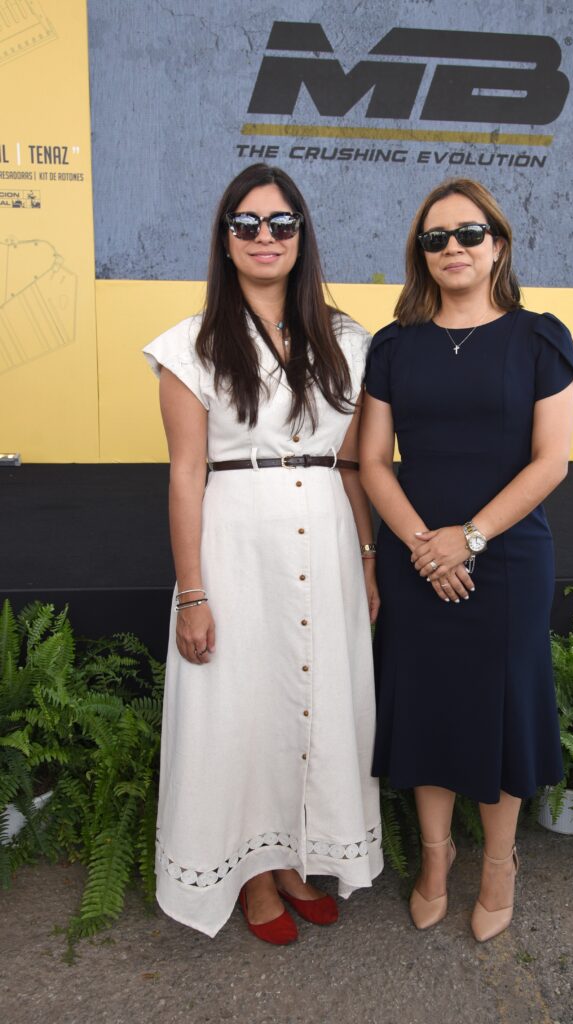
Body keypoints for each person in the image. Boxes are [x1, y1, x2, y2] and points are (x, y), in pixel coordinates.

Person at [143, 163, 382, 944]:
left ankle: (292, 858)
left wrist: (369, 561)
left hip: (329, 537)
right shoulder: (191, 346)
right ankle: (249, 875)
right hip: (235, 545)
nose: (264, 237)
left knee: (312, 702)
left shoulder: (347, 340)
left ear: (302, 235)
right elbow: (186, 475)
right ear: (225, 239)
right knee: (239, 710)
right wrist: (193, 593)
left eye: (281, 223)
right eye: (246, 223)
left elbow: (354, 463)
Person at [359, 178, 573, 941]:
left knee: (503, 709)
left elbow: (551, 461)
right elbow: (372, 460)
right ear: (420, 253)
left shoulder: (540, 339)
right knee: (425, 703)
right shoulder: (393, 346)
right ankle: (435, 857)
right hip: (414, 555)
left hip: (508, 560)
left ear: (498, 244)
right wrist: (426, 547)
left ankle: (499, 864)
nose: (452, 247)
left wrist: (470, 537)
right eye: (435, 237)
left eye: (468, 233)